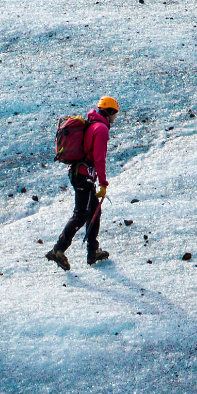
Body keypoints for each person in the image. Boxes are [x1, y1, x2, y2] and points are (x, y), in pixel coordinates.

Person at [48, 97, 118, 271]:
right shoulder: (101, 129)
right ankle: (58, 250)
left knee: (94, 210)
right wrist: (103, 183)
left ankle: (93, 252)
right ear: (109, 112)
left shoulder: (92, 124)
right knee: (81, 214)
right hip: (84, 177)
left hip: (80, 174)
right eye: (115, 114)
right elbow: (99, 159)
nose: (116, 118)